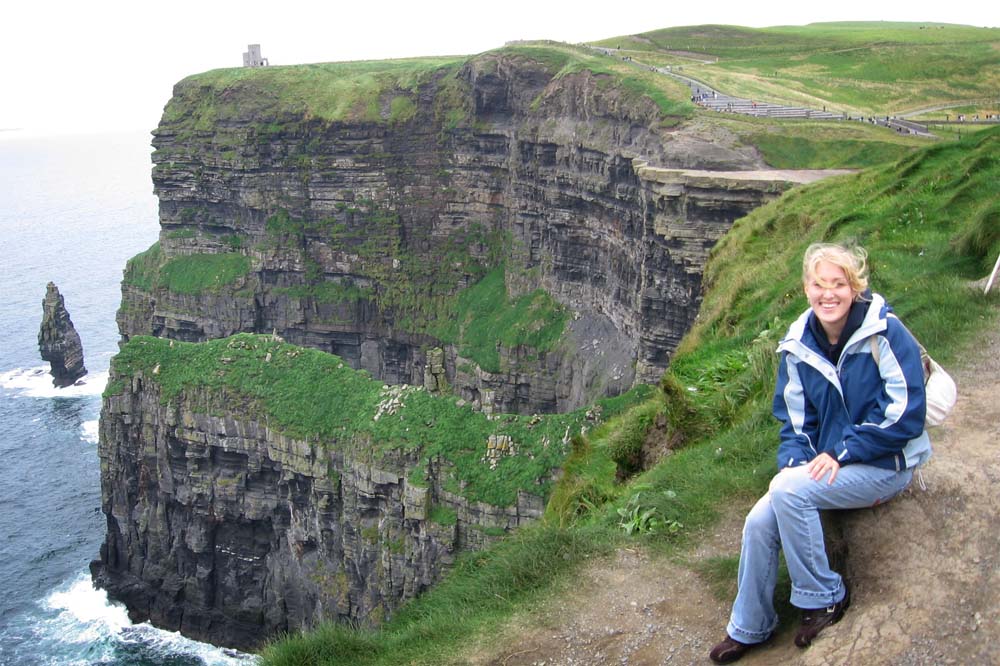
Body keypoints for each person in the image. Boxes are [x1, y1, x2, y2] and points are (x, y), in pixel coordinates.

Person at [709, 243, 931, 663]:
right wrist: (796, 463)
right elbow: (795, 425)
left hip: (886, 464)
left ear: (855, 288)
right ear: (806, 288)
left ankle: (825, 597)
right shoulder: (799, 347)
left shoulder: (883, 333)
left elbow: (905, 415)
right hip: (829, 465)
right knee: (760, 517)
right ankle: (750, 625)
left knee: (790, 491)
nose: (828, 294)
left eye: (839, 284)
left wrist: (844, 452)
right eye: (818, 284)